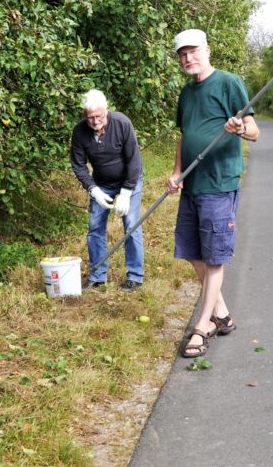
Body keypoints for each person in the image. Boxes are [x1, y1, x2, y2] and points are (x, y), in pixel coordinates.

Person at [166, 29, 259, 358]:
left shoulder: (229, 82)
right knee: (192, 251)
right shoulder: (186, 92)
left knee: (214, 256)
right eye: (182, 54)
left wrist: (240, 128)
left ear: (206, 50)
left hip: (219, 183)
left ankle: (201, 326)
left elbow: (254, 132)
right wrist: (177, 172)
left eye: (192, 52)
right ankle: (221, 313)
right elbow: (185, 134)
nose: (187, 58)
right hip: (192, 184)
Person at [70, 89, 144, 292]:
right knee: (95, 229)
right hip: (101, 184)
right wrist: (93, 190)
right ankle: (97, 276)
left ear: (106, 110)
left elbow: (134, 160)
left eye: (99, 116)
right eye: (90, 118)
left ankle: (135, 276)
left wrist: (127, 192)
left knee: (131, 225)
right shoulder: (79, 132)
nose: (95, 122)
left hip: (130, 181)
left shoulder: (122, 123)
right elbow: (78, 165)